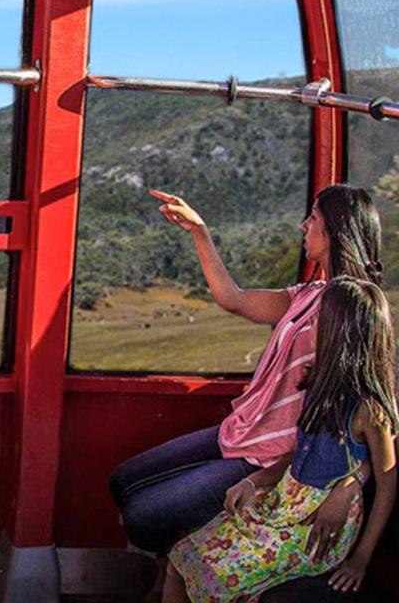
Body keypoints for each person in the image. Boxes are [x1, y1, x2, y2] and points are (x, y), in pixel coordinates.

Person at [109, 185, 383, 558]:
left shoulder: (353, 308)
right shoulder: (306, 294)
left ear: (337, 230)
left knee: (143, 516)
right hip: (241, 431)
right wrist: (199, 231)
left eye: (314, 218)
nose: (304, 227)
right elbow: (233, 298)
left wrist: (353, 480)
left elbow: (374, 406)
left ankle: (180, 568)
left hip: (270, 456)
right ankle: (180, 563)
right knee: (122, 481)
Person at [164, 277, 398, 601]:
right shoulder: (317, 385)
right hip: (283, 502)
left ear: (338, 335)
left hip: (313, 529)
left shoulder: (368, 410)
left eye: (317, 320)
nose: (311, 325)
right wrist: (254, 481)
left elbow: (387, 480)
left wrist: (361, 558)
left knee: (215, 579)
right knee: (182, 555)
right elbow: (300, 454)